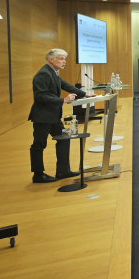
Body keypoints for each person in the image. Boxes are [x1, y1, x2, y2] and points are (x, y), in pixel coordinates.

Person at [29, 48, 94, 183]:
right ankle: (38, 175)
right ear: (51, 60)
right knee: (39, 145)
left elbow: (66, 86)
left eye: (64, 59)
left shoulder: (53, 73)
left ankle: (63, 171)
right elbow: (40, 96)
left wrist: (85, 94)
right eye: (60, 58)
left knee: (64, 139)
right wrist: (63, 100)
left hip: (53, 115)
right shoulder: (43, 74)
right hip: (42, 116)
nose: (64, 62)